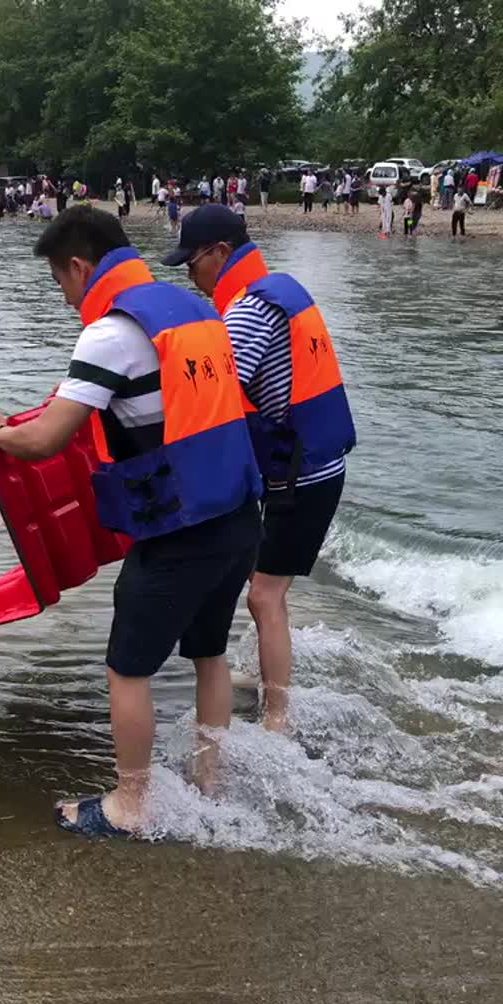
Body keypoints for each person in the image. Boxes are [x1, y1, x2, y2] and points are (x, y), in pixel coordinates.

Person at [0, 206, 262, 834]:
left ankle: (130, 806)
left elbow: (46, 440)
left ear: (79, 267)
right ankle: (210, 782)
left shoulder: (109, 331)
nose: (65, 296)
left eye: (60, 282)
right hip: (239, 517)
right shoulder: (196, 310)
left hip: (179, 534)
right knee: (209, 652)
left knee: (127, 668)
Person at [163, 205, 355, 730]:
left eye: (191, 264)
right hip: (314, 464)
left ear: (220, 253)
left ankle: (278, 718)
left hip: (301, 476)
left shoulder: (248, 310)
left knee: (263, 595)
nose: (191, 277)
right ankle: (273, 684)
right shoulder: (282, 288)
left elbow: (215, 394)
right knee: (266, 587)